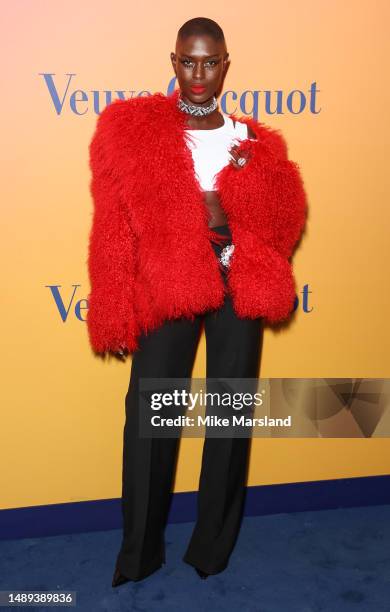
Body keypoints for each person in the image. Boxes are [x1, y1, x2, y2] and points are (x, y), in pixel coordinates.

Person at [86, 17, 307, 585]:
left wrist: (235, 205)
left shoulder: (252, 140)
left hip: (238, 284)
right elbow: (111, 223)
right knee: (150, 420)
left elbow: (286, 223)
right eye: (189, 61)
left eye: (210, 62)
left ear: (226, 65)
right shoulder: (135, 130)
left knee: (230, 419)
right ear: (174, 60)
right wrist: (113, 305)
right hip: (170, 284)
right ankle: (139, 554)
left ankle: (212, 550)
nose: (199, 73)